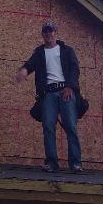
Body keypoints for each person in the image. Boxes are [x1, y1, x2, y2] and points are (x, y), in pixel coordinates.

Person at [16, 22, 82, 173]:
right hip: (48, 94)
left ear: (56, 33)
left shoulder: (66, 50)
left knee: (70, 126)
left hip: (66, 90)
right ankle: (52, 162)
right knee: (48, 127)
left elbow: (74, 70)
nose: (48, 34)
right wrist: (24, 71)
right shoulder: (39, 52)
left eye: (50, 31)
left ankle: (76, 163)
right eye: (45, 32)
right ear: (42, 35)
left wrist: (70, 87)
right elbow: (30, 64)